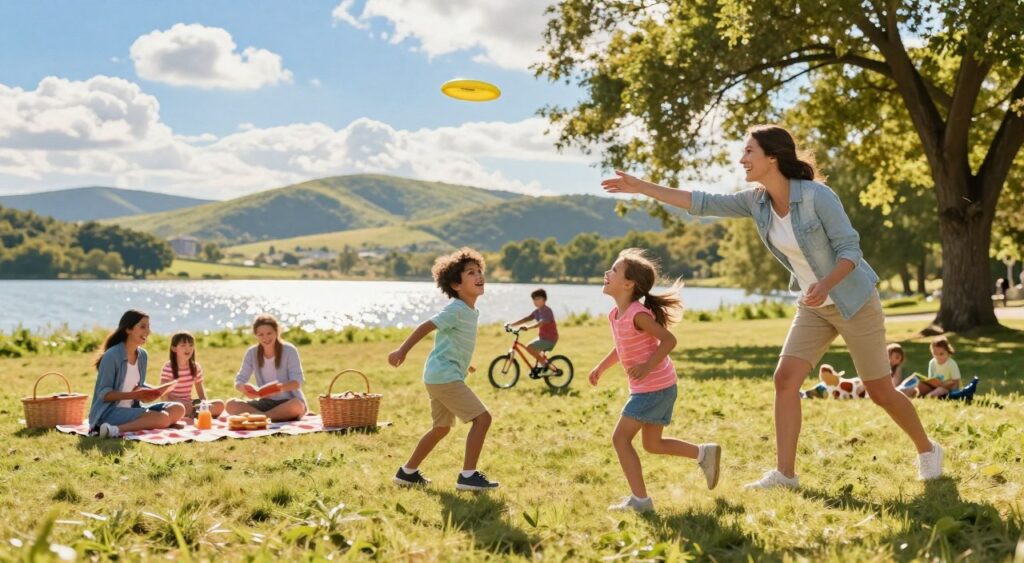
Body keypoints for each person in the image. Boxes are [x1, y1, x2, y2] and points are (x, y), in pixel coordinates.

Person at [601, 124, 943, 488]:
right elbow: (700, 202)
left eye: (749, 151)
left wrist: (825, 284)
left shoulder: (817, 196)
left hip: (853, 301)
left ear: (772, 157)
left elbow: (851, 251)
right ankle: (786, 474)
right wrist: (642, 187)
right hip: (813, 306)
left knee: (880, 392)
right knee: (785, 379)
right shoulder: (756, 202)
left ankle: (927, 449)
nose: (741, 159)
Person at [588, 248, 720, 513]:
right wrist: (601, 368)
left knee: (620, 439)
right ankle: (704, 454)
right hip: (653, 387)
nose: (607, 273)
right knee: (652, 444)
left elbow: (669, 340)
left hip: (655, 388)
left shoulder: (639, 314)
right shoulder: (615, 316)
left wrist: (648, 366)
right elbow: (622, 348)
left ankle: (641, 502)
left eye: (613, 270)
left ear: (628, 284)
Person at [388, 247, 499, 491]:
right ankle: (468, 476)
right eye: (471, 272)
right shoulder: (456, 309)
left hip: (440, 375)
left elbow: (452, 342)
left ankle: (407, 473)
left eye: (480, 270)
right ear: (456, 284)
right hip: (444, 377)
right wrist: (402, 350)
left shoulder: (468, 311)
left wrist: (463, 362)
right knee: (482, 419)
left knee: (441, 428)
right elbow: (426, 326)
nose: (479, 275)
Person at [88, 310, 186, 438]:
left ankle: (155, 422)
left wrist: (154, 391)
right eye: (143, 326)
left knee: (179, 408)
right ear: (128, 329)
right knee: (162, 418)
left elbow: (136, 384)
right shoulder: (111, 356)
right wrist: (135, 394)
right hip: (108, 413)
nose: (148, 331)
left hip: (132, 409)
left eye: (148, 327)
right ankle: (113, 430)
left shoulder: (142, 355)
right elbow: (104, 394)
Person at [225, 315, 307, 422]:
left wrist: (276, 389)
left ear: (276, 332)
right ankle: (266, 417)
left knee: (297, 406)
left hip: (288, 401)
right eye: (261, 334)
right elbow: (239, 380)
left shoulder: (289, 350)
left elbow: (297, 382)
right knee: (231, 404)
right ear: (256, 336)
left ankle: (260, 417)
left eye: (269, 333)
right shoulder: (252, 353)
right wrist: (244, 388)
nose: (266, 338)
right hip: (265, 403)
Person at [160, 331, 224, 419]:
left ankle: (194, 413)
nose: (188, 348)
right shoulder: (168, 367)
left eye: (191, 345)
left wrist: (205, 405)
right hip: (174, 404)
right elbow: (163, 394)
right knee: (181, 407)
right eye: (183, 345)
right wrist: (176, 402)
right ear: (174, 348)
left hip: (190, 404)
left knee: (219, 404)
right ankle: (190, 413)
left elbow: (200, 391)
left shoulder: (195, 367)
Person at [507, 288, 559, 373]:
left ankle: (544, 364)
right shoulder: (537, 311)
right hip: (542, 337)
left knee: (529, 347)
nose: (536, 301)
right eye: (534, 299)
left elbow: (541, 323)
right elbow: (527, 318)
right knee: (533, 349)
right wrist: (511, 324)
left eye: (538, 299)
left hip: (550, 339)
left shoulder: (547, 311)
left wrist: (528, 327)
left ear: (544, 299)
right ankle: (542, 366)